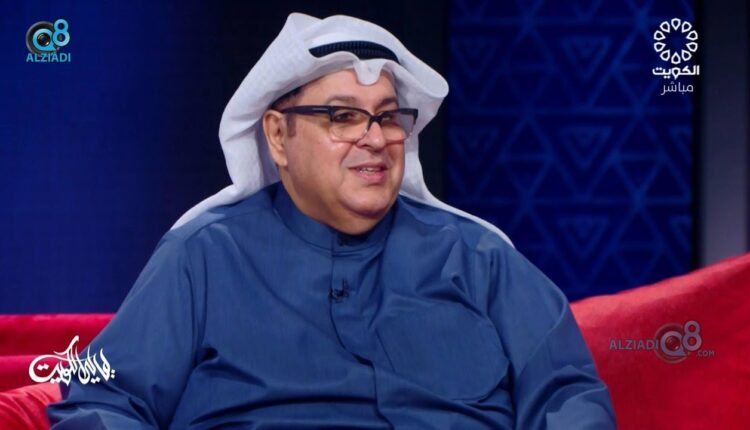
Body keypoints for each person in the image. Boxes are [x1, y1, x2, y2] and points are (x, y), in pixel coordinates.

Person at [48, 13, 616, 429]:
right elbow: (102, 401)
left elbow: (569, 395)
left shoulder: (479, 259)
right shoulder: (203, 256)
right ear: (278, 136)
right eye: (343, 117)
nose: (376, 139)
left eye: (388, 118)